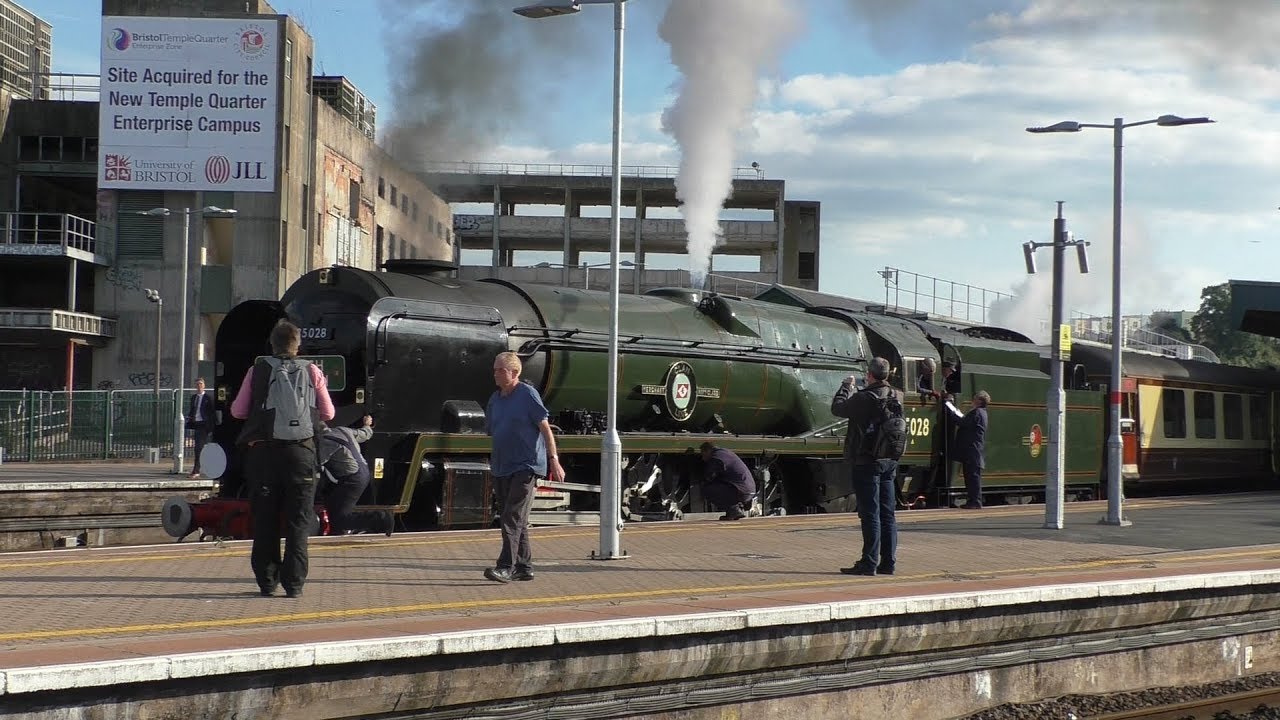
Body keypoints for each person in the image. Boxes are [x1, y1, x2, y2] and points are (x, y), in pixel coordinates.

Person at [231, 320, 334, 599]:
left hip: (264, 455)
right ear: (297, 345)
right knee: (298, 521)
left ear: (272, 344)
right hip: (302, 453)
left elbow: (238, 411)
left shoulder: (257, 370)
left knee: (264, 519)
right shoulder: (312, 370)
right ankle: (295, 585)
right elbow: (329, 413)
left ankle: (267, 582)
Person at [483, 351, 564, 583]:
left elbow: (545, 428)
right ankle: (524, 566)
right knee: (516, 519)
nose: (495, 374)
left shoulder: (528, 394)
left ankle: (505, 567)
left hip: (526, 466)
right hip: (501, 466)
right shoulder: (495, 399)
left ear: (515, 372)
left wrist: (553, 459)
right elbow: (492, 430)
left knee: (511, 517)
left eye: (500, 370)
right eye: (495, 369)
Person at [830, 356, 901, 577]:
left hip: (866, 460)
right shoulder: (897, 395)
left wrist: (846, 386)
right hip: (889, 460)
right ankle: (888, 562)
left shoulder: (864, 397)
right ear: (887, 375)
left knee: (870, 514)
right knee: (888, 514)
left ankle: (868, 562)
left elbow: (838, 408)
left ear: (869, 375)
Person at [318, 414, 393, 536]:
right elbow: (365, 434)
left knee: (340, 518)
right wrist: (367, 424)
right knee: (332, 504)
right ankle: (337, 534)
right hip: (362, 473)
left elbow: (316, 464)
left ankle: (381, 518)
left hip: (352, 479)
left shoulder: (324, 443)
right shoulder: (343, 430)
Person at [699, 442, 756, 521]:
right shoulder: (725, 453)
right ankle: (734, 510)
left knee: (707, 489)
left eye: (703, 454)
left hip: (741, 491)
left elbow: (709, 476)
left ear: (708, 450)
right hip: (748, 490)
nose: (703, 458)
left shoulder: (717, 457)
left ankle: (734, 509)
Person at [954, 390, 990, 509]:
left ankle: (975, 501)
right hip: (973, 448)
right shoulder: (981, 412)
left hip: (972, 449)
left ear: (979, 401)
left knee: (972, 476)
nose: (972, 400)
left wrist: (952, 410)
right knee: (971, 476)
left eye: (974, 398)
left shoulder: (977, 413)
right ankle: (973, 500)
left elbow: (962, 422)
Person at [186, 377, 214, 478]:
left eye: (201, 384)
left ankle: (196, 471)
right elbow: (192, 410)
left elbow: (212, 413)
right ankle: (197, 469)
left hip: (204, 425)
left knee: (199, 448)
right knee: (198, 448)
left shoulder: (208, 398)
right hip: (196, 424)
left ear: (204, 385)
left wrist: (211, 427)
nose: (199, 386)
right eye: (197, 384)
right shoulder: (194, 397)